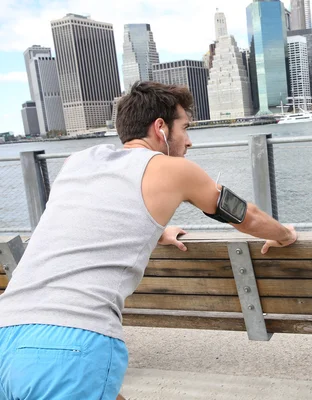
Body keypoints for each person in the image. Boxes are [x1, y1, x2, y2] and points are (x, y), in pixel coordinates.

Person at [0, 81, 297, 400]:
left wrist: (154, 230)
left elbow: (86, 222)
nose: (189, 141)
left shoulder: (78, 162)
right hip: (75, 340)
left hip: (8, 333)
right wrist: (285, 234)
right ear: (161, 128)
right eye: (185, 128)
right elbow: (245, 215)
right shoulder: (175, 169)